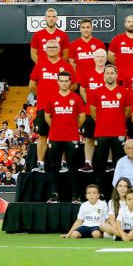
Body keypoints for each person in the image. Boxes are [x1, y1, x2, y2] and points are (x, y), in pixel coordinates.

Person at [29, 41, 75, 173]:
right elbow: (32, 85)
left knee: (63, 136)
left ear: (59, 49)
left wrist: (63, 97)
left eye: (55, 47)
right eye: (49, 47)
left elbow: (74, 85)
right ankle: (41, 164)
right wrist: (43, 96)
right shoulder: (40, 65)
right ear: (45, 49)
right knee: (42, 136)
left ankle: (63, 164)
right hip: (43, 107)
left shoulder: (66, 66)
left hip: (62, 108)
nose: (52, 49)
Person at [43, 71, 86, 187]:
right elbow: (47, 116)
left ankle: (75, 196)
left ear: (70, 82)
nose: (63, 83)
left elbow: (82, 116)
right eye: (61, 81)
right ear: (57, 82)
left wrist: (75, 127)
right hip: (55, 137)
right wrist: (55, 126)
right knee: (54, 166)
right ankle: (54, 194)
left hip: (71, 137)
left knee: (73, 166)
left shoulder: (76, 98)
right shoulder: (51, 97)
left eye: (66, 81)